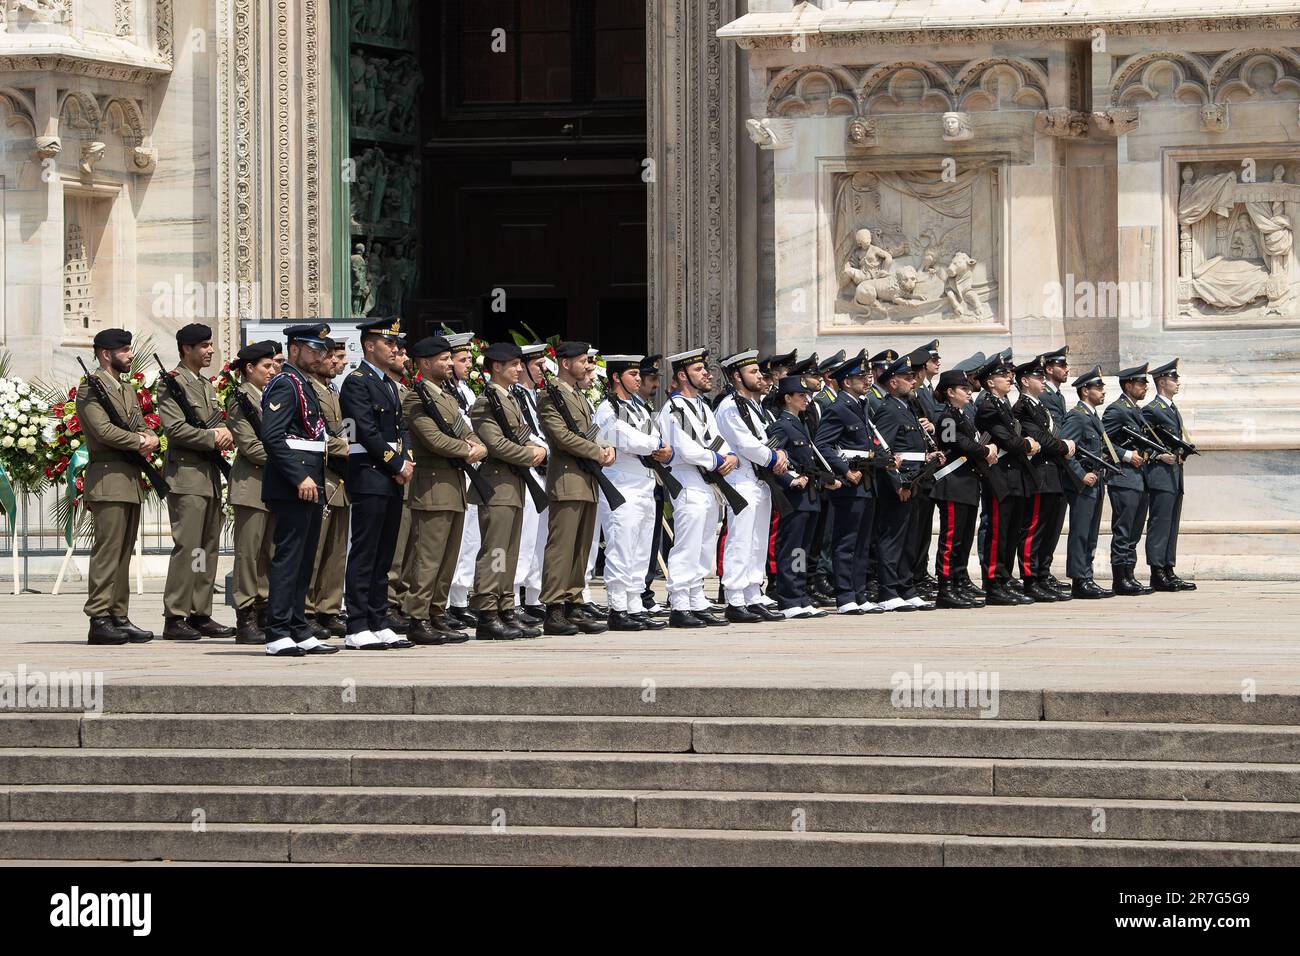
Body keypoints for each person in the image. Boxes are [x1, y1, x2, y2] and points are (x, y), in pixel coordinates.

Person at [260, 323, 340, 656]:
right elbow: (272, 436)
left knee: (305, 558)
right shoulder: (284, 384)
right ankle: (277, 631)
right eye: (314, 350)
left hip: (309, 482)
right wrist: (298, 477)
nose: (321, 356)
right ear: (294, 349)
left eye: (323, 351)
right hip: (294, 484)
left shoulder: (303, 385)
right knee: (289, 557)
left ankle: (296, 626)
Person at [76, 328, 157, 645]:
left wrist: (148, 436)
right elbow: (104, 431)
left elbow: (138, 423)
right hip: (108, 476)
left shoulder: (124, 389)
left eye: (129, 348)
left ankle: (118, 615)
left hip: (128, 478)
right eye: (123, 350)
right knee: (108, 550)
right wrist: (139, 440)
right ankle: (98, 618)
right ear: (105, 354)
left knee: (123, 552)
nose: (130, 354)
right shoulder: (90, 389)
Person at [401, 335, 484, 643]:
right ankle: (417, 617)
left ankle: (437, 613)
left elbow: (470, 432)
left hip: (454, 486)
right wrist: (468, 449)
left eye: (452, 358)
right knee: (429, 557)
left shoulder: (448, 398)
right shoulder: (415, 398)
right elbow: (432, 439)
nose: (451, 363)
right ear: (425, 363)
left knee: (449, 556)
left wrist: (477, 446)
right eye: (444, 359)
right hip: (433, 486)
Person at [339, 317, 416, 649]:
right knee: (366, 551)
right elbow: (364, 430)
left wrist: (405, 460)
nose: (397, 349)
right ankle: (357, 624)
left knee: (385, 552)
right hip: (370, 474)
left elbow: (399, 429)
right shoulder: (357, 381)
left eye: (398, 344)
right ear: (370, 346)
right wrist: (396, 463)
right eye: (389, 344)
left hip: (391, 477)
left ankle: (378, 618)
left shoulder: (388, 382)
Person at [158, 323, 235, 640]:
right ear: (186, 349)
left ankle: (200, 611)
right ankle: (175, 615)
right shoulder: (172, 384)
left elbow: (213, 423)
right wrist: (212, 436)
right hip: (187, 477)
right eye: (204, 345)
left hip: (209, 477)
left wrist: (225, 432)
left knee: (207, 549)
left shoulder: (205, 385)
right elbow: (174, 430)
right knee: (188, 547)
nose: (210, 350)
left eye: (211, 344)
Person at [468, 342, 545, 640]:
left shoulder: (510, 399)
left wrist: (537, 448)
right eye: (513, 365)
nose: (518, 369)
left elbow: (523, 435)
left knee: (510, 552)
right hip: (497, 484)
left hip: (513, 485)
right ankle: (487, 612)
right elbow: (495, 445)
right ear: (496, 367)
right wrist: (531, 455)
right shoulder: (486, 402)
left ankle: (505, 607)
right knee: (497, 550)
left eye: (519, 364)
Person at [658, 349, 739, 627]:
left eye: (706, 369)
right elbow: (686, 448)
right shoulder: (674, 407)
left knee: (704, 542)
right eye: (699, 370)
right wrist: (718, 460)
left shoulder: (703, 407)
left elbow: (716, 438)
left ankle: (696, 598)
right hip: (687, 477)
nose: (707, 373)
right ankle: (680, 603)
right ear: (682, 375)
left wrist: (729, 456)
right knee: (687, 543)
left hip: (706, 479)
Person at [538, 341, 615, 635]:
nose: (589, 366)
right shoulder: (551, 394)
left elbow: (592, 432)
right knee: (562, 546)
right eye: (583, 361)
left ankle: (574, 603)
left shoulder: (580, 397)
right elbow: (561, 437)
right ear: (565, 363)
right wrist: (598, 453)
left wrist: (608, 449)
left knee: (581, 547)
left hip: (587, 480)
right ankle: (554, 609)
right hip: (568, 479)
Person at [594, 354, 674, 630]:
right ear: (616, 377)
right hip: (621, 483)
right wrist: (655, 444)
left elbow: (654, 437)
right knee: (622, 545)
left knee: (641, 549)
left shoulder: (640, 408)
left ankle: (635, 603)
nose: (639, 379)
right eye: (632, 375)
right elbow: (621, 437)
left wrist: (659, 446)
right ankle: (618, 607)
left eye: (639, 375)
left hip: (645, 482)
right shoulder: (607, 408)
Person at [714, 350, 788, 622]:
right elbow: (745, 443)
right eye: (753, 372)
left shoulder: (757, 407)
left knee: (757, 541)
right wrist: (773, 458)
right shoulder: (730, 406)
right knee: (741, 539)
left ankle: (752, 594)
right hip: (742, 478)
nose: (759, 376)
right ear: (737, 376)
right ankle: (734, 598)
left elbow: (769, 437)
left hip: (760, 479)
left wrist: (782, 455)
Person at [813, 350, 884, 614]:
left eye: (867, 376)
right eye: (860, 377)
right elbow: (823, 445)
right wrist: (844, 471)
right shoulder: (838, 408)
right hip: (852, 482)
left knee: (863, 541)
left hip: (867, 481)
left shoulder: (861, 404)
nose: (867, 380)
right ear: (846, 382)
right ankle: (845, 596)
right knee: (847, 541)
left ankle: (859, 592)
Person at [872, 350, 942, 611]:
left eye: (913, 376)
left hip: (915, 481)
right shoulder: (889, 409)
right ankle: (888, 590)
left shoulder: (908, 408)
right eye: (907, 377)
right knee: (892, 538)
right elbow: (885, 451)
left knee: (910, 538)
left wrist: (929, 455)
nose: (913, 381)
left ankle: (905, 586)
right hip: (899, 484)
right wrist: (898, 482)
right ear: (893, 383)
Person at [975, 351, 1039, 605]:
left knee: (1012, 532)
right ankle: (993, 583)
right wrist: (1027, 443)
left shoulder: (1002, 405)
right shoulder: (988, 406)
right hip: (999, 476)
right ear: (990, 382)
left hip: (1014, 476)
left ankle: (1004, 578)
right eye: (1003, 375)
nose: (1010, 378)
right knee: (998, 533)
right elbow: (1006, 439)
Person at [767, 376, 834, 618]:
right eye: (800, 396)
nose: (806, 399)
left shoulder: (800, 424)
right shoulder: (781, 425)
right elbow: (771, 456)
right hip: (794, 496)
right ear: (787, 398)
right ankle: (789, 597)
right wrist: (791, 479)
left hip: (810, 495)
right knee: (792, 547)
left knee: (803, 549)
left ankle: (800, 593)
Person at [1012, 355, 1077, 603]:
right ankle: (1030, 579)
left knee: (1048, 528)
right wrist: (1063, 446)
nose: (1042, 381)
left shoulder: (1039, 406)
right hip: (1038, 473)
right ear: (1025, 381)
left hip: (1052, 473)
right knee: (1033, 529)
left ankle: (1041, 574)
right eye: (1038, 377)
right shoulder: (1022, 407)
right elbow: (1040, 437)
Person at [930, 368, 997, 608]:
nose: (969, 393)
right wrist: (984, 451)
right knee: (951, 539)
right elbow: (954, 441)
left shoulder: (963, 415)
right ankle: (945, 587)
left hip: (967, 483)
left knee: (964, 537)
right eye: (964, 389)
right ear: (950, 392)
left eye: (970, 389)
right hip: (952, 483)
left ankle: (958, 581)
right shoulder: (947, 416)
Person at [226, 340, 278, 644]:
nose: (272, 371)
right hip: (251, 486)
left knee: (268, 553)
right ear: (249, 369)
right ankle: (245, 616)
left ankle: (264, 609)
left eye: (273, 366)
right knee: (248, 554)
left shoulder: (268, 395)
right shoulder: (241, 399)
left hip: (271, 484)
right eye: (266, 367)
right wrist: (287, 459)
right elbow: (250, 446)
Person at [305, 339, 350, 636]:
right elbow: (313, 434)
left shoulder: (333, 391)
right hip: (320, 475)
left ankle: (328, 608)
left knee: (335, 551)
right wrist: (346, 446)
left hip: (340, 480)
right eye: (331, 356)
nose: (336, 362)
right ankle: (307, 608)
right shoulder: (307, 390)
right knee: (315, 548)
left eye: (339, 357)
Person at [1060, 365, 1117, 599]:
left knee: (1091, 532)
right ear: (1085, 391)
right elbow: (1066, 450)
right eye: (1098, 387)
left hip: (1096, 481)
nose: (1103, 391)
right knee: (1081, 532)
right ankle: (1079, 579)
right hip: (1083, 483)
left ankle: (1087, 575)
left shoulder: (1093, 417)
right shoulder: (1077, 416)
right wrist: (1080, 474)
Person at [1142, 358, 1195, 591]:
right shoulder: (1152, 409)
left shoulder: (1171, 408)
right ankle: (1157, 571)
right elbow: (1142, 441)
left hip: (1175, 474)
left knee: (1172, 524)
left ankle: (1169, 568)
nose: (1178, 382)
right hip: (1160, 474)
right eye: (1174, 378)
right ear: (1162, 382)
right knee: (1160, 523)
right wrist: (1157, 456)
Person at [1102, 363, 1153, 597]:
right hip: (1123, 477)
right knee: (1123, 529)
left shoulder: (1136, 410)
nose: (1145, 387)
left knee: (1134, 530)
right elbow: (1102, 440)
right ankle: (1120, 578)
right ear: (1128, 385)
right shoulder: (1116, 410)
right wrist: (1125, 455)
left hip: (1139, 478)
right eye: (1141, 383)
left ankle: (1130, 574)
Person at [511, 342, 552, 623]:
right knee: (522, 538)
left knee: (540, 538)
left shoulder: (536, 395)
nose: (542, 371)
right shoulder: (514, 397)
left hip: (543, 470)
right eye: (538, 365)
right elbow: (523, 433)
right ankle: (513, 598)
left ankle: (535, 596)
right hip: (526, 469)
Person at [445, 332, 481, 629]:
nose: (468, 364)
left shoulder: (466, 392)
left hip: (474, 467)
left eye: (470, 358)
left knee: (470, 538)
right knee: (451, 540)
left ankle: (459, 599)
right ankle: (444, 601)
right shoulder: (441, 393)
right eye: (462, 359)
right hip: (456, 465)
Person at [637, 354, 672, 616]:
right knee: (634, 543)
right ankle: (637, 594)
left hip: (653, 480)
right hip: (633, 482)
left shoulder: (645, 409)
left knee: (650, 541)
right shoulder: (621, 408)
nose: (654, 385)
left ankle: (644, 591)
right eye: (650, 379)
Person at [908, 339, 943, 596]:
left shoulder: (927, 391)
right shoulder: (916, 393)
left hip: (928, 468)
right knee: (916, 527)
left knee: (923, 528)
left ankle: (920, 572)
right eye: (933, 360)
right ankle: (914, 575)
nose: (938, 363)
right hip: (917, 470)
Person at [1038, 345, 1072, 593]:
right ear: (1049, 369)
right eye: (1062, 366)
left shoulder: (1058, 395)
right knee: (1044, 523)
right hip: (1047, 465)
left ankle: (1045, 571)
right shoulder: (1046, 397)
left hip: (1060, 465)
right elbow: (1054, 430)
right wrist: (1067, 444)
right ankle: (1038, 572)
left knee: (1054, 523)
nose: (1066, 370)